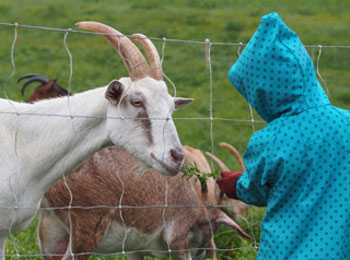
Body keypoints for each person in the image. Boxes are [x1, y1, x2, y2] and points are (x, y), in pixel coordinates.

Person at [216, 12, 350, 260]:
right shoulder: (346, 123)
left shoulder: (271, 139)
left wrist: (237, 185)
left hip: (286, 251)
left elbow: (257, 189)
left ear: (264, 91)